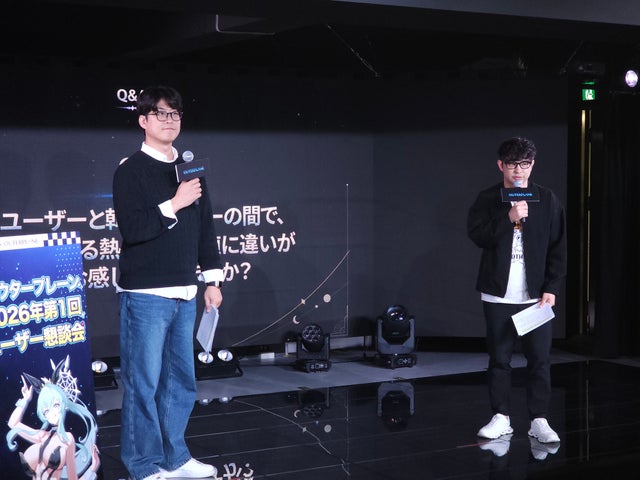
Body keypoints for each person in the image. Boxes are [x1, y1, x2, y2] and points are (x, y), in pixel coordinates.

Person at [113, 85, 224, 480]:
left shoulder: (190, 169)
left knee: (181, 381)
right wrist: (174, 203)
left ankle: (174, 457)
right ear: (143, 120)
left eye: (175, 114)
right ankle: (142, 465)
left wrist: (212, 279)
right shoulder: (130, 170)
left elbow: (205, 227)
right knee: (142, 385)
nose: (169, 120)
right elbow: (134, 229)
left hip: (185, 291)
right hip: (146, 294)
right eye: (161, 114)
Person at [467, 136, 566, 445]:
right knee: (499, 359)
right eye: (512, 164)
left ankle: (539, 420)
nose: (519, 170)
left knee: (540, 360)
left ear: (532, 165)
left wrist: (552, 287)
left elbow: (558, 247)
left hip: (535, 297)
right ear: (501, 165)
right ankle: (501, 417)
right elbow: (477, 235)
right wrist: (508, 218)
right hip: (498, 294)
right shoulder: (488, 198)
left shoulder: (546, 199)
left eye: (525, 164)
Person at [6, 357, 100, 480]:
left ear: (63, 404)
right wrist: (25, 400)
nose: (52, 414)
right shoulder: (41, 436)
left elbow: (72, 478)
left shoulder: (68, 439)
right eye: (46, 411)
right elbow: (13, 424)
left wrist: (93, 468)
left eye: (55, 405)